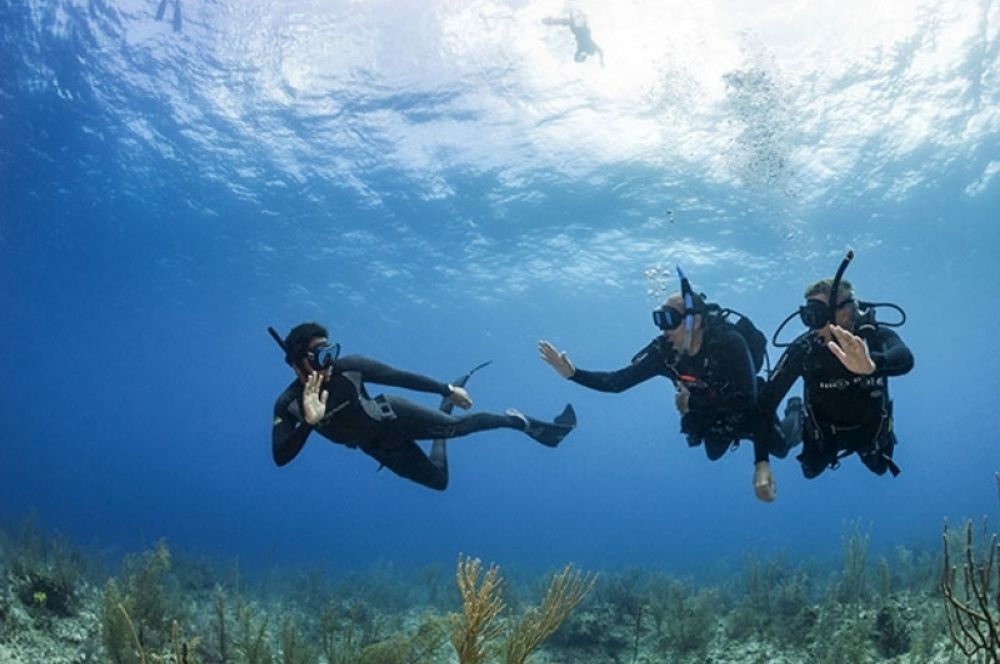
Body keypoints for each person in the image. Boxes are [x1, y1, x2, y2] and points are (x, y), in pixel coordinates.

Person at [539, 269, 788, 502]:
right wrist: (573, 373)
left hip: (749, 408)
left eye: (669, 320)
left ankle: (795, 413)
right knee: (713, 453)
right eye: (658, 319)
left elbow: (747, 401)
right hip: (711, 416)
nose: (663, 329)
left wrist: (761, 464)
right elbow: (617, 382)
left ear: (695, 321)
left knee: (781, 447)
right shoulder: (665, 354)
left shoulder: (729, 344)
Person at [271, 323, 576, 491]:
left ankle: (521, 423)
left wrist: (448, 388)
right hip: (379, 448)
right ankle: (442, 413)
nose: (329, 363)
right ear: (298, 360)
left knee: (456, 429)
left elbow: (397, 377)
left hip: (394, 415)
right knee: (439, 482)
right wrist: (310, 423)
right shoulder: (289, 405)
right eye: (320, 356)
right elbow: (281, 456)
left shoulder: (348, 367)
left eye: (331, 352)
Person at [754, 263, 914, 494]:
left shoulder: (872, 338)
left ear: (847, 311)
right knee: (809, 472)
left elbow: (905, 358)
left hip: (870, 431)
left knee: (880, 467)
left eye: (817, 316)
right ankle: (796, 412)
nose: (813, 326)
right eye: (807, 317)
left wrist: (871, 365)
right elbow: (765, 404)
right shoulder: (805, 348)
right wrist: (761, 463)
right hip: (823, 434)